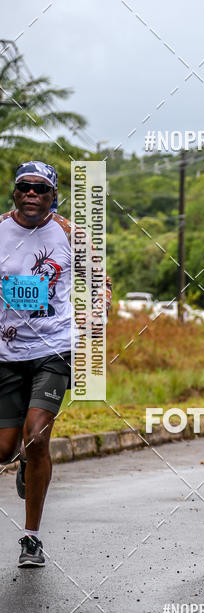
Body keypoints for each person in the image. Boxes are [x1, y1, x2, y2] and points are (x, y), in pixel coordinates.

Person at [0, 162, 111, 567]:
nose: (31, 194)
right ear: (15, 192)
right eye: (24, 188)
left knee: (38, 435)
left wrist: (96, 315)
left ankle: (31, 538)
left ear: (53, 196)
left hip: (53, 349)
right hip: (6, 353)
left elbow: (100, 282)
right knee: (5, 448)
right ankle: (23, 463)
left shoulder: (69, 234)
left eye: (40, 190)